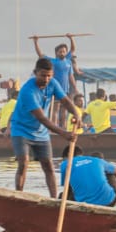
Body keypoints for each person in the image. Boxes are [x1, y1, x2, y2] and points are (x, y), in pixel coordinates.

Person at [10, 56, 81, 195]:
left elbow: (65, 101)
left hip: (41, 133)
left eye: (49, 76)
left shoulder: (53, 83)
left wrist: (76, 114)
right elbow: (42, 118)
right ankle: (19, 195)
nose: (46, 79)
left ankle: (53, 199)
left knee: (48, 165)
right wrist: (63, 133)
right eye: (43, 75)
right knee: (24, 163)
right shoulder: (27, 91)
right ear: (35, 73)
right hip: (22, 130)